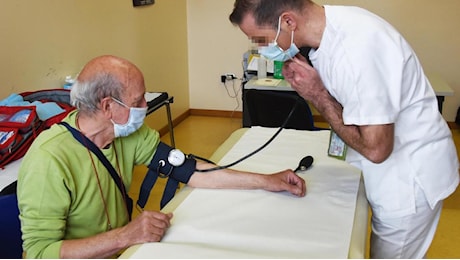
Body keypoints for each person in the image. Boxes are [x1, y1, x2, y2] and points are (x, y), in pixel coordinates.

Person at [229, 0, 459, 258]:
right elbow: (351, 106)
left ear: (288, 22)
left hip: (408, 181)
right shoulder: (328, 32)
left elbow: (377, 149)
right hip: (383, 167)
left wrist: (317, 95)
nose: (262, 49)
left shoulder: (357, 50)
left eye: (262, 40)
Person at [17, 55, 306, 259]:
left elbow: (191, 171)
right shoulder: (48, 160)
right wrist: (126, 236)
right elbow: (40, 253)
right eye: (138, 101)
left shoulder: (127, 134)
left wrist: (268, 181)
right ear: (107, 106)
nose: (146, 105)